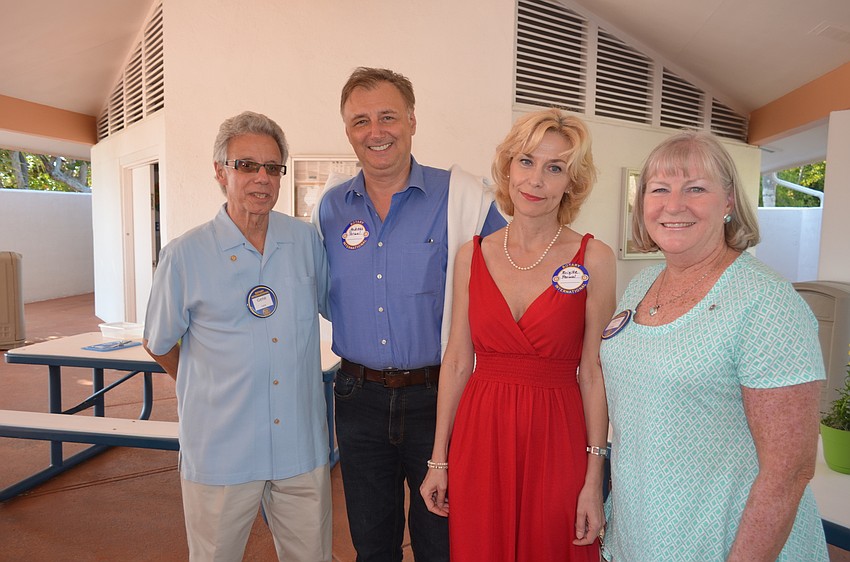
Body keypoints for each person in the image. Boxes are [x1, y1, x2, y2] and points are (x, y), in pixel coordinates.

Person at [599, 130, 829, 561]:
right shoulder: (642, 284)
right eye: (659, 189)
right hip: (642, 532)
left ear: (728, 202)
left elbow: (790, 470)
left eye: (696, 189)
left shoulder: (767, 301)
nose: (674, 205)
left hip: (728, 542)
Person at [315, 67, 506, 561]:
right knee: (372, 542)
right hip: (357, 398)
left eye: (387, 117)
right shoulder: (331, 208)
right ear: (347, 130)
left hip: (439, 398)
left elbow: (511, 274)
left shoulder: (461, 198)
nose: (375, 132)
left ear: (413, 121)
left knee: (441, 541)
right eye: (360, 121)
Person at [420, 108, 616, 561]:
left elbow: (593, 372)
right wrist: (438, 460)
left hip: (558, 436)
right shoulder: (472, 254)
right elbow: (455, 361)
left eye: (555, 168)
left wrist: (594, 477)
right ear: (507, 167)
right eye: (526, 162)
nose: (536, 180)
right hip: (481, 434)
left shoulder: (596, 258)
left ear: (572, 181)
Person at [143, 111, 332, 562]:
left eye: (272, 167)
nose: (262, 178)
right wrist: (207, 386)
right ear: (220, 171)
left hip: (299, 448)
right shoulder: (185, 255)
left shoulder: (306, 242)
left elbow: (336, 307)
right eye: (247, 165)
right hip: (222, 449)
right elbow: (159, 341)